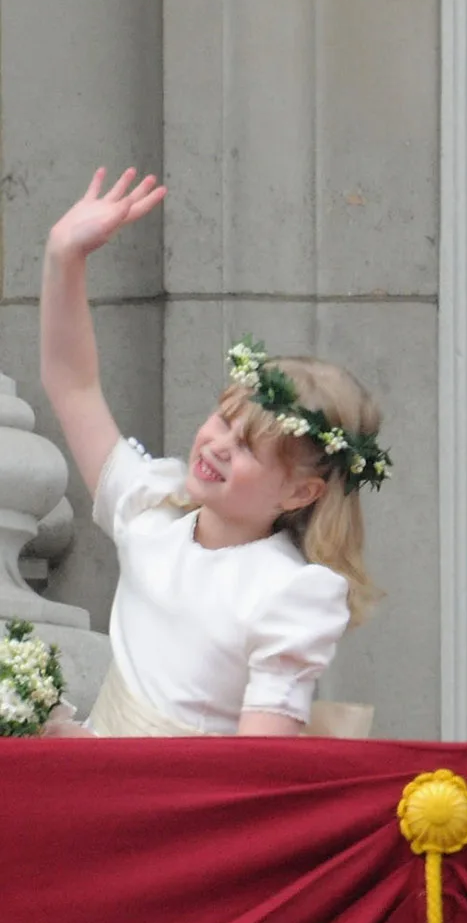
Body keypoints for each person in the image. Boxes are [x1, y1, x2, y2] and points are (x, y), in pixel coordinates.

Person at [40, 168, 390, 736]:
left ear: (302, 491)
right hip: (93, 790)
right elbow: (72, 384)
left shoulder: (290, 591)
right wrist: (64, 258)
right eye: (223, 419)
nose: (218, 445)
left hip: (183, 814)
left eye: (249, 445)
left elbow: (256, 768)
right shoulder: (151, 512)